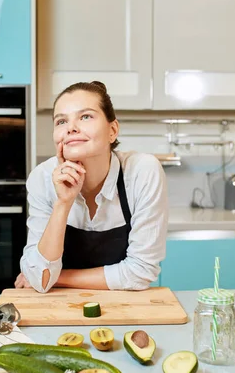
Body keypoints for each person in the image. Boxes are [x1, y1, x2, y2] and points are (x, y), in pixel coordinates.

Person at [15, 81, 168, 293]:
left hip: (125, 307)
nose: (71, 128)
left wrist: (58, 277)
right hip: (57, 308)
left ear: (112, 130)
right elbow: (40, 280)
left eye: (85, 116)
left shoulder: (142, 171)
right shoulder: (42, 178)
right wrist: (63, 202)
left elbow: (140, 272)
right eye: (61, 121)